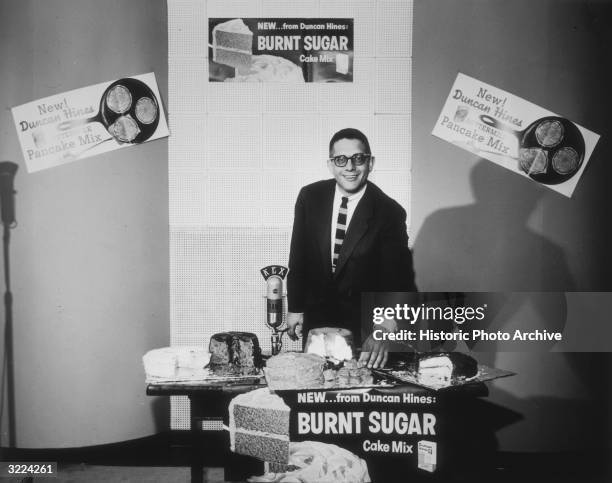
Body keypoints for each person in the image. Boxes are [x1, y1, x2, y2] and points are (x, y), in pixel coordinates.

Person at [286, 128, 416, 368]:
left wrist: (383, 329)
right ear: (331, 165)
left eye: (358, 158)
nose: (350, 167)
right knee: (315, 389)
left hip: (363, 329)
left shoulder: (389, 212)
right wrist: (295, 307)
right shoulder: (310, 197)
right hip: (317, 321)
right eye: (341, 160)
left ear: (370, 162)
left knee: (356, 391)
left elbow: (398, 279)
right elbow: (298, 256)